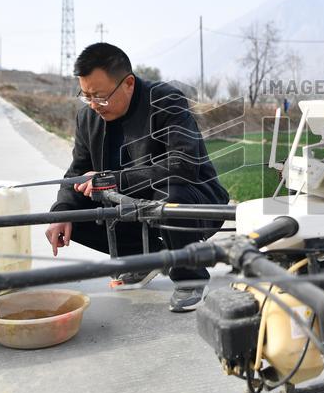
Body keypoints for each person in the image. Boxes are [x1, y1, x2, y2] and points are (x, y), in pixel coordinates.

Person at [45, 43, 230, 312]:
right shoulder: (88, 117)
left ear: (129, 83)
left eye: (101, 97)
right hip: (130, 202)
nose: (95, 105)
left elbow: (183, 164)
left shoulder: (166, 101)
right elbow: (78, 171)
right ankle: (143, 259)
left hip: (190, 197)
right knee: (71, 215)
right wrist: (61, 211)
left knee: (169, 197)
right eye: (87, 96)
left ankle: (190, 279)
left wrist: (114, 179)